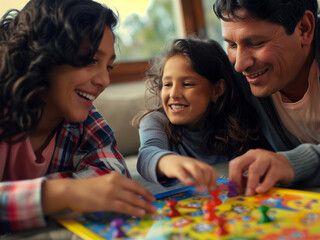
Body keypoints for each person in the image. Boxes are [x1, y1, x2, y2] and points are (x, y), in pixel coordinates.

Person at [0, 0, 156, 234]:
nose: (104, 80)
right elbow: (87, 190)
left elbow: (111, 173)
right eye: (91, 60)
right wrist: (63, 193)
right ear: (43, 54)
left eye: (109, 67)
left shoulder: (85, 119)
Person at [213, 0, 320, 196]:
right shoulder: (239, 74)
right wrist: (159, 159)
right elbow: (176, 111)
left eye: (256, 43)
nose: (240, 64)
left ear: (304, 29)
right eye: (231, 44)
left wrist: (290, 163)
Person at [133, 38, 266, 192]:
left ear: (216, 90)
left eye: (187, 84)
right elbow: (147, 155)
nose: (174, 94)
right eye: (167, 84)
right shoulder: (155, 121)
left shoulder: (237, 123)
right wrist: (171, 162)